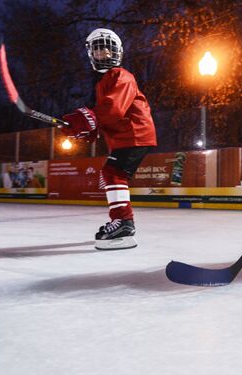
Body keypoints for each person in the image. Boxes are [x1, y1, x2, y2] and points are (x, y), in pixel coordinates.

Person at [61, 28, 157, 250]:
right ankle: (122, 221)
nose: (103, 53)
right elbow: (104, 114)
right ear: (91, 54)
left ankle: (124, 223)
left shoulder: (121, 75)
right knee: (111, 174)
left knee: (112, 173)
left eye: (107, 48)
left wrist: (86, 118)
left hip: (135, 133)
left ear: (118, 52)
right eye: (98, 49)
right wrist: (89, 128)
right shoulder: (101, 83)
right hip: (125, 137)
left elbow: (113, 108)